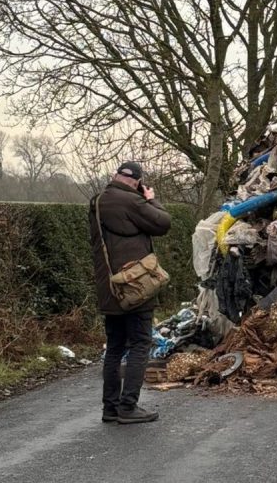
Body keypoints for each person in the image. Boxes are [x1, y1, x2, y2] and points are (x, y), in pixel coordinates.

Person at [89, 161, 171, 425]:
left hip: (109, 287)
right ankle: (129, 406)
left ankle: (110, 408)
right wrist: (151, 200)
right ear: (136, 182)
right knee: (139, 344)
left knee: (114, 347)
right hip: (134, 287)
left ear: (115, 176)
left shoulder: (98, 201)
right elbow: (162, 223)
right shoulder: (133, 202)